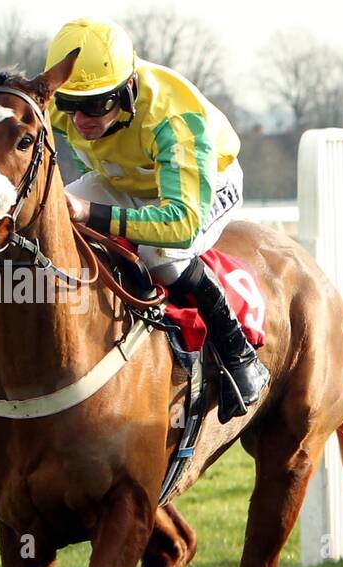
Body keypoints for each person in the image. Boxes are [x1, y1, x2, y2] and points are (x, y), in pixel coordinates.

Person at [44, 17, 266, 420]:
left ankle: (240, 356)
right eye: (69, 105)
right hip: (126, 177)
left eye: (96, 105)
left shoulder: (171, 116)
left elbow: (179, 224)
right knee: (52, 221)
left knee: (160, 253)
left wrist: (94, 213)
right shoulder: (67, 108)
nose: (79, 120)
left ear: (128, 89)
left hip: (204, 183)